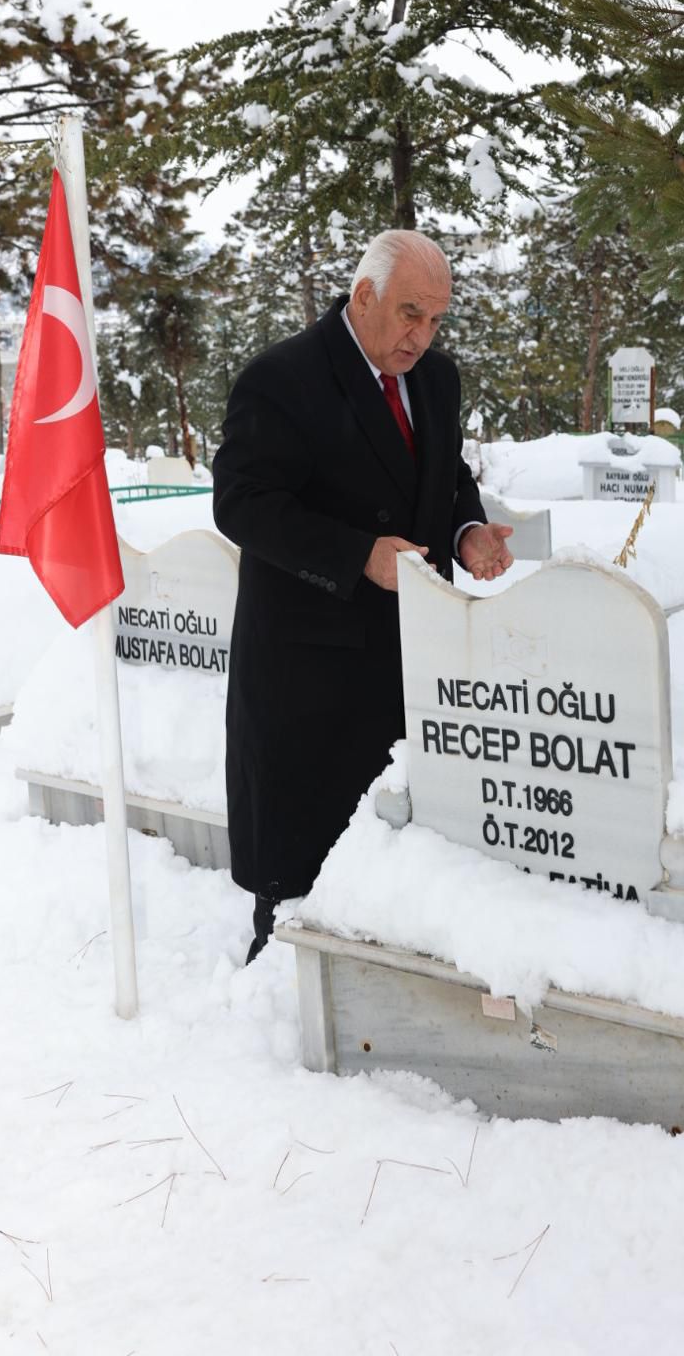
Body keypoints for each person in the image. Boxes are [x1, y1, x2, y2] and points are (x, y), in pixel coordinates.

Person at [212, 229, 513, 960]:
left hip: (411, 656)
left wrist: (468, 532)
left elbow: (444, 476)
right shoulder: (283, 377)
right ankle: (277, 975)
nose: (423, 335)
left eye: (436, 319)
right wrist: (357, 556)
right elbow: (242, 504)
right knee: (304, 862)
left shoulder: (436, 379)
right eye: (411, 314)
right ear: (365, 295)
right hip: (310, 669)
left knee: (398, 858)